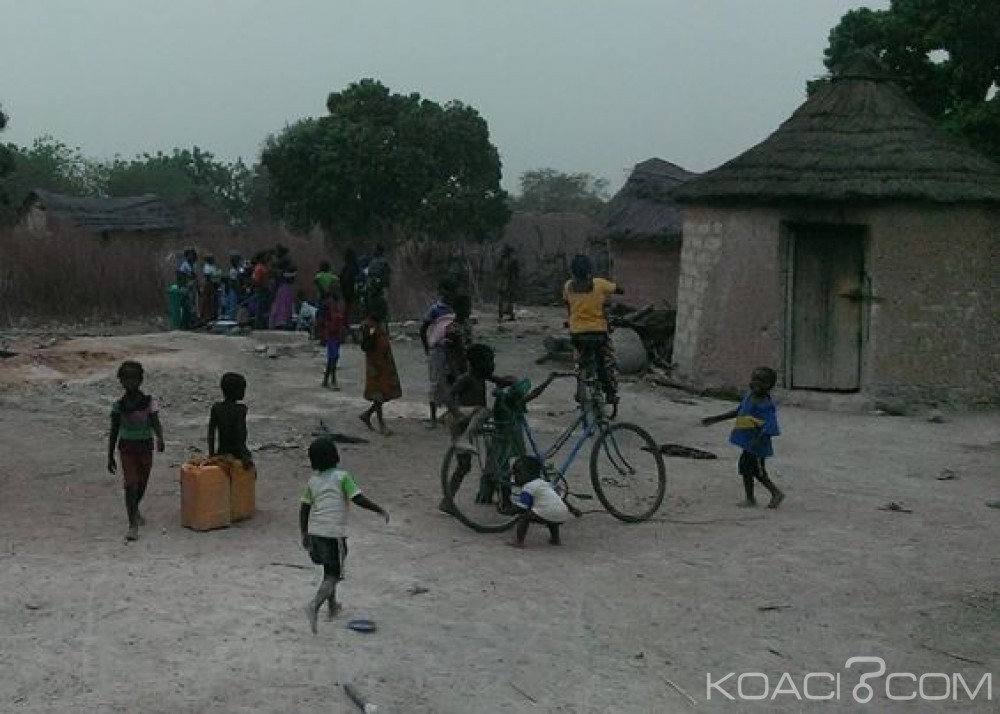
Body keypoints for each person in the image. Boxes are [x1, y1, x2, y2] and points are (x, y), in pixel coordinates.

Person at [440, 344, 560, 512]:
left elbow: (502, 381)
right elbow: (447, 396)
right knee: (485, 412)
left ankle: (447, 501)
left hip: (473, 421)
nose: (492, 365)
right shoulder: (467, 378)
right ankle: (465, 438)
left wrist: (511, 381)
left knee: (464, 466)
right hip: (462, 418)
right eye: (489, 362)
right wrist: (458, 415)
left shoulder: (483, 375)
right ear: (477, 364)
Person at [299, 436, 389, 635]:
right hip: (333, 535)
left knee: (328, 569)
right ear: (335, 456)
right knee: (334, 574)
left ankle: (333, 607)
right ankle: (314, 605)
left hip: (315, 533)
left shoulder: (313, 481)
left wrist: (304, 534)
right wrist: (379, 509)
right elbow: (358, 498)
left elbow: (304, 509)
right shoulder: (342, 477)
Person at [701, 366, 785, 509]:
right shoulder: (750, 396)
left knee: (759, 473)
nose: (757, 384)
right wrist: (715, 418)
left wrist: (756, 442)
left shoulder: (766, 405)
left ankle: (776, 493)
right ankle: (750, 498)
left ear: (770, 386)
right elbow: (738, 411)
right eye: (754, 379)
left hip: (757, 447)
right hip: (748, 445)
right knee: (746, 470)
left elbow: (770, 428)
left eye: (762, 381)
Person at [107, 360, 165, 542]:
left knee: (141, 484)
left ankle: (135, 509)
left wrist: (160, 438)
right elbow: (114, 430)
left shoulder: (149, 402)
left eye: (133, 379)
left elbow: (155, 422)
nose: (130, 383)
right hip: (127, 449)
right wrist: (109, 455)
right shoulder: (118, 406)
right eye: (126, 379)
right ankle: (132, 523)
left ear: (140, 380)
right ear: (121, 381)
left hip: (145, 448)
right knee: (130, 484)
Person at [563, 254, 622, 405]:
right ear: (589, 269)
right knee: (602, 362)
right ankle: (609, 393)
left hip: (577, 334)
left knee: (580, 360)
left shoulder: (568, 286)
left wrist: (572, 321)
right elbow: (619, 289)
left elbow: (569, 307)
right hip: (598, 333)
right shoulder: (599, 284)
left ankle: (580, 387)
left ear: (573, 271)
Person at [510, 455, 582, 547]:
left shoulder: (528, 487)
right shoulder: (546, 484)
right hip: (562, 514)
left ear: (524, 474)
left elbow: (521, 508)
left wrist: (508, 511)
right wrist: (573, 510)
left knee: (524, 517)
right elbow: (561, 499)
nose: (515, 478)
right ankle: (555, 539)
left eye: (516, 474)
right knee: (552, 516)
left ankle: (519, 541)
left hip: (547, 513)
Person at [358, 296, 402, 435]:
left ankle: (367, 415)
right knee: (378, 393)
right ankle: (381, 424)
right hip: (376, 365)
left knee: (384, 392)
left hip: (385, 362)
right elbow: (365, 345)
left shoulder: (381, 324)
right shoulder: (369, 326)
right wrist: (371, 336)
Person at [419, 279, 457, 426]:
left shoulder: (455, 308)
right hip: (438, 349)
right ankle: (433, 417)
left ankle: (451, 414)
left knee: (452, 380)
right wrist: (427, 348)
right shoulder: (436, 309)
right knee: (435, 382)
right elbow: (423, 329)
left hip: (452, 350)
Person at [207, 372, 253, 466]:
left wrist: (211, 455)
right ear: (235, 391)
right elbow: (240, 434)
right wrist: (245, 455)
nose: (244, 392)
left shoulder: (216, 408)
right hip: (237, 454)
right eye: (242, 389)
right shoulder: (240, 409)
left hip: (222, 452)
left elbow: (211, 434)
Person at [318, 289, 346, 390]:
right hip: (331, 334)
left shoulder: (336, 306)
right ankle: (332, 379)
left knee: (334, 357)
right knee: (333, 358)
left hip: (335, 334)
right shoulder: (329, 305)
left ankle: (327, 380)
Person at [339, 249, 361, 335]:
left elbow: (341, 279)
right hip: (353, 293)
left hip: (346, 292)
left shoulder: (345, 268)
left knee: (347, 311)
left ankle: (345, 326)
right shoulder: (355, 267)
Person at [496, 244, 519, 322]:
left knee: (508, 299)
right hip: (504, 281)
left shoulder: (511, 260)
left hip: (508, 281)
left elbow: (516, 272)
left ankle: (507, 315)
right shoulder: (504, 259)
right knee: (504, 299)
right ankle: (502, 315)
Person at [200, 254, 221, 324]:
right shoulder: (207, 267)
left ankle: (212, 316)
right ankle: (206, 318)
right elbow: (208, 277)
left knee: (212, 302)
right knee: (207, 301)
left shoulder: (213, 266)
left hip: (214, 285)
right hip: (209, 285)